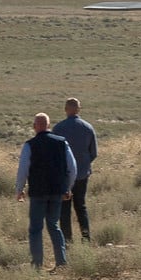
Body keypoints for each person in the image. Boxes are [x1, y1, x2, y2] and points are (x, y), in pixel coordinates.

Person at [16, 113, 78, 270]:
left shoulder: (30, 145)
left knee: (36, 229)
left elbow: (23, 169)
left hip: (38, 192)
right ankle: (61, 262)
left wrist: (20, 189)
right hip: (57, 192)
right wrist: (67, 188)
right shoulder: (62, 143)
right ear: (49, 126)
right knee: (53, 225)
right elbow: (72, 168)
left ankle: (37, 265)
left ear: (34, 126)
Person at [51, 98, 98, 245]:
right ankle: (86, 240)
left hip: (64, 177)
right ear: (78, 109)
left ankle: (67, 243)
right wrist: (83, 165)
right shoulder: (88, 127)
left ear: (65, 109)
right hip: (82, 175)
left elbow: (54, 155)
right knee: (81, 207)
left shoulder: (58, 129)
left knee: (64, 209)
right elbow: (94, 153)